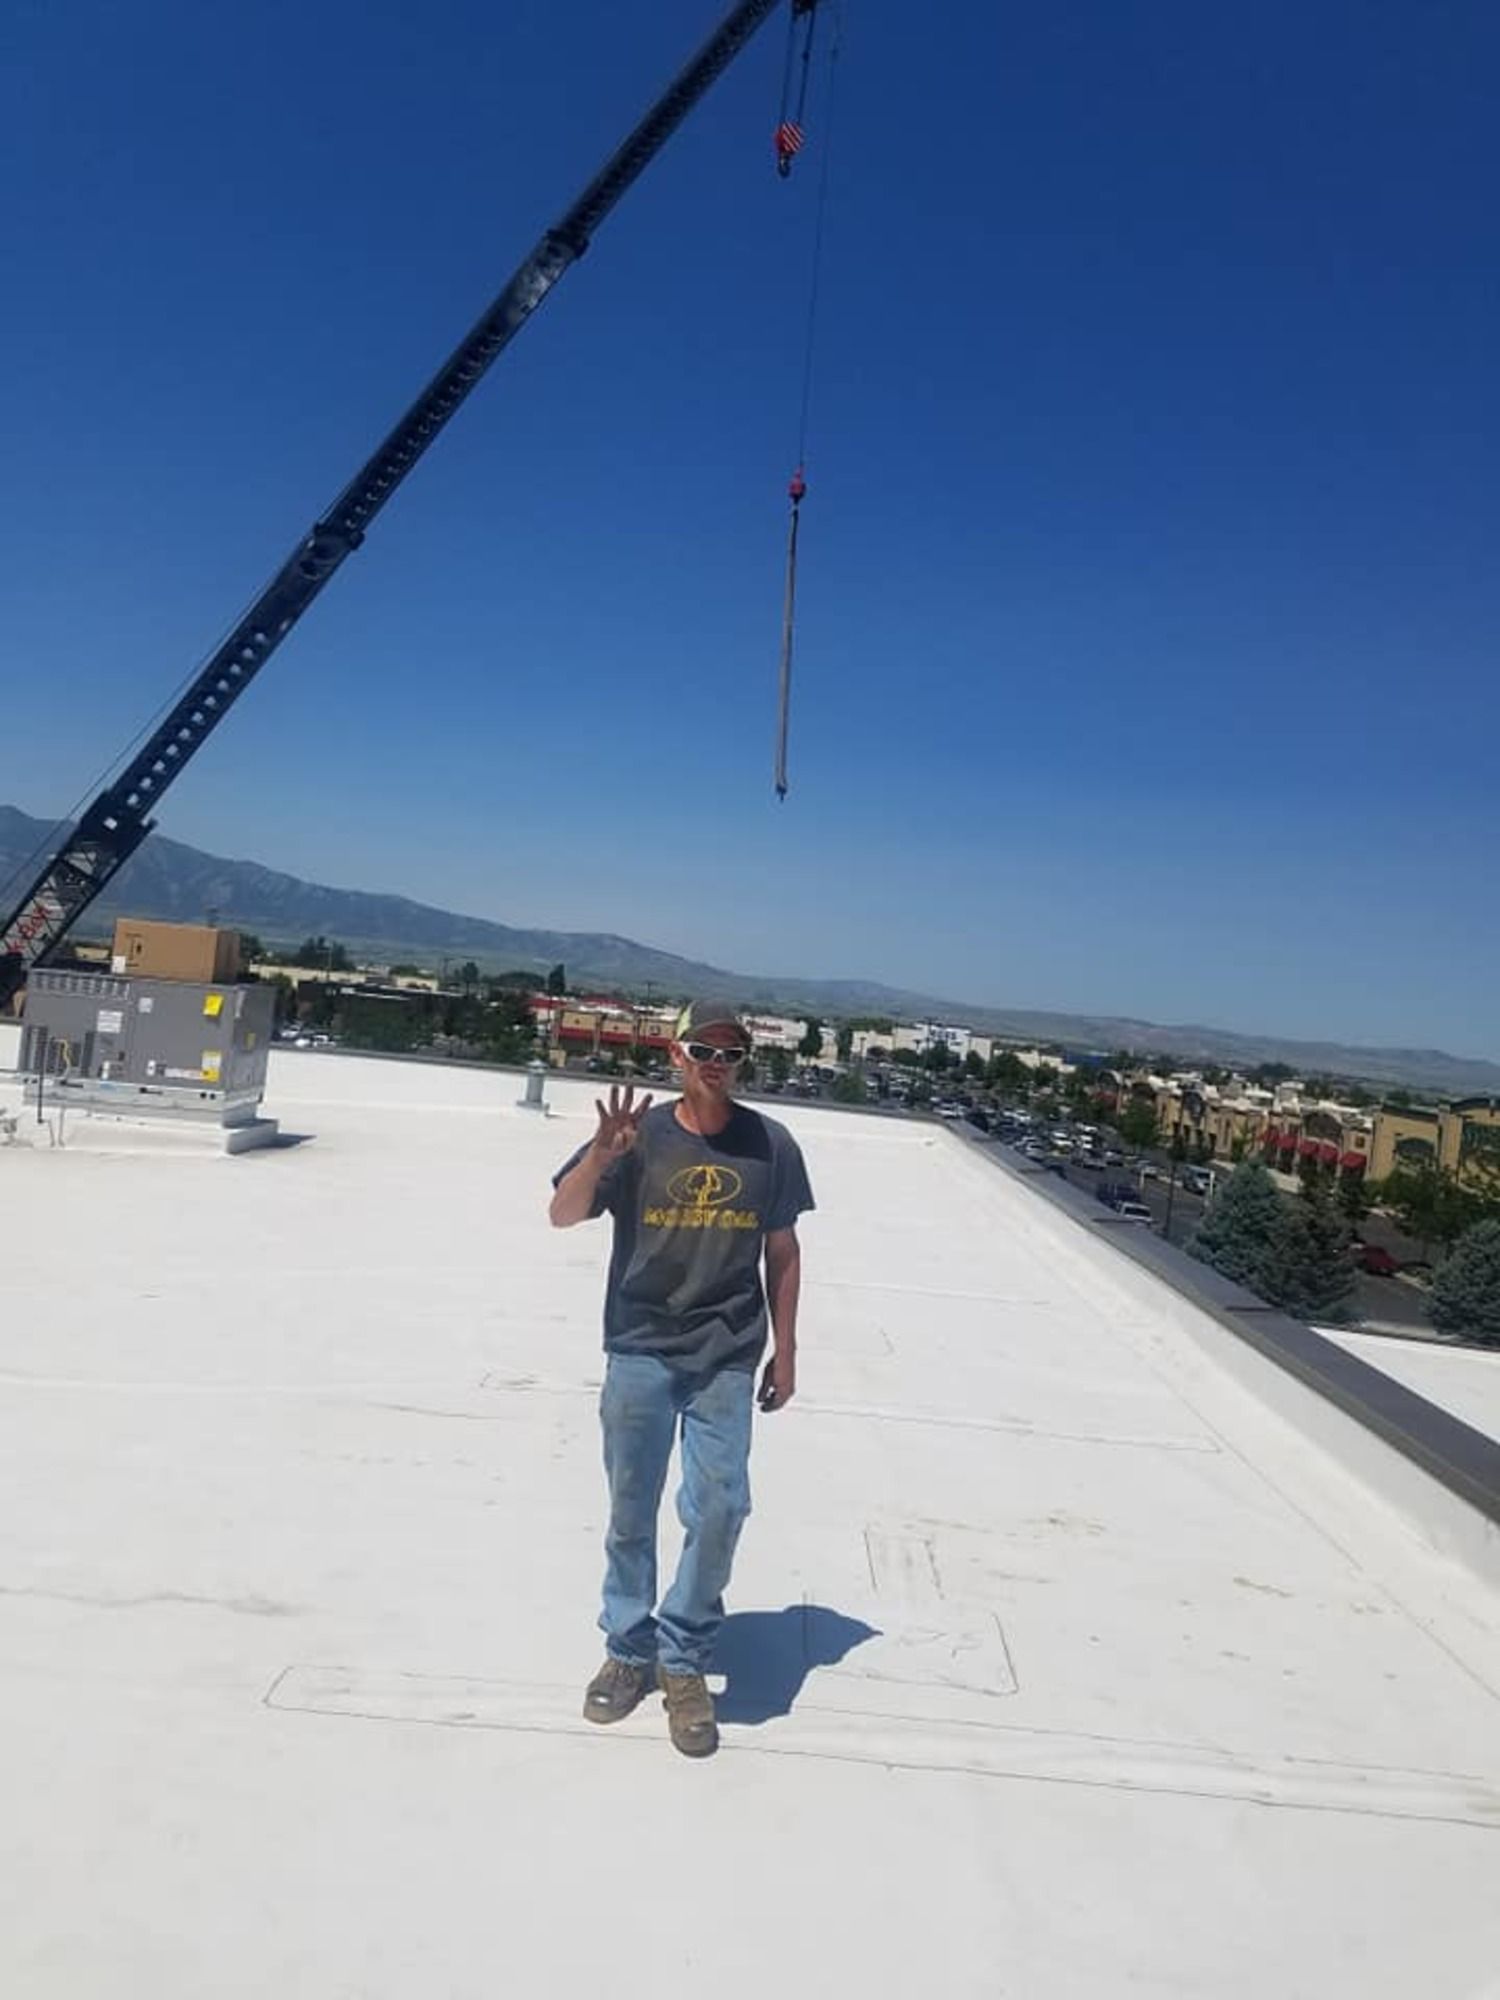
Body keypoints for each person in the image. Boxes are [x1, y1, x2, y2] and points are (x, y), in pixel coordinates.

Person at [549, 999, 814, 1757]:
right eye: (703, 1050)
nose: (716, 1065)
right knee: (631, 1511)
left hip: (725, 1354)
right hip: (639, 1347)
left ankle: (684, 1657)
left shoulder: (772, 1144)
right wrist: (602, 1155)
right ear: (676, 1056)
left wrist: (786, 1350)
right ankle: (629, 1652)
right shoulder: (640, 1137)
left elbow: (784, 1252)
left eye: (730, 1054)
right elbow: (562, 1215)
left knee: (723, 1505)